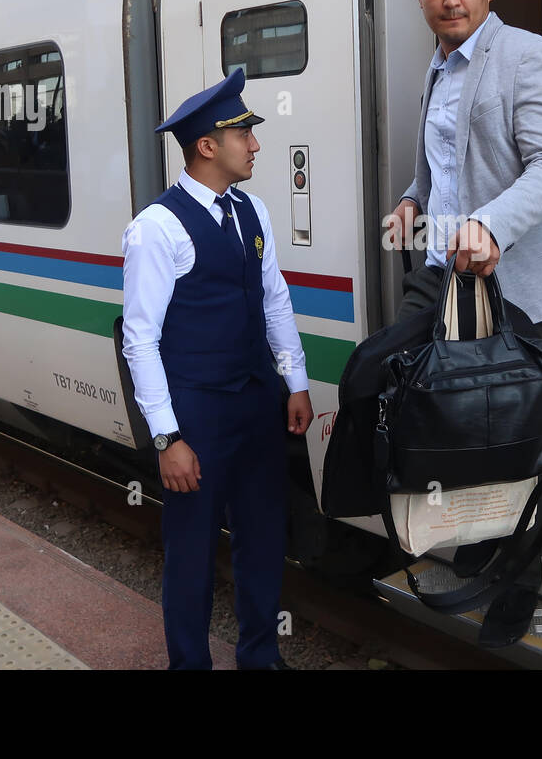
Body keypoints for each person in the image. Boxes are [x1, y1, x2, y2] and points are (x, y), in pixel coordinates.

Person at [384, 0, 542, 646]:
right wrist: (412, 202)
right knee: (463, 421)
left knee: (520, 432)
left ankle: (520, 575)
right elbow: (437, 170)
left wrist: (487, 227)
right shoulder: (438, 70)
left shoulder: (530, 55)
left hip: (520, 285)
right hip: (449, 278)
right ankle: (476, 539)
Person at [121, 67, 312, 671]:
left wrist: (296, 383)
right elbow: (139, 340)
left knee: (262, 538)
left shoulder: (251, 211)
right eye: (244, 135)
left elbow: (274, 298)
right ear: (208, 146)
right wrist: (167, 437)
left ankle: (260, 657)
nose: (255, 145)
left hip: (256, 402)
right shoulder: (157, 228)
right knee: (192, 550)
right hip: (195, 413)